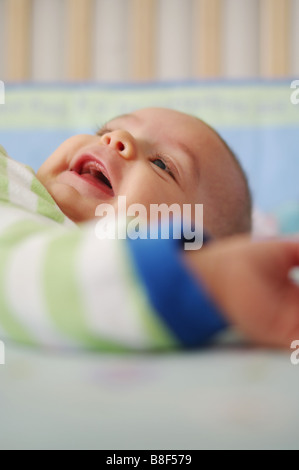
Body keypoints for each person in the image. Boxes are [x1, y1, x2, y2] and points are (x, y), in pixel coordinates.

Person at [0, 107, 297, 351]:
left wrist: (208, 277)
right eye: (104, 131)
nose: (119, 138)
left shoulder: (41, 254)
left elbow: (32, 272)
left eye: (162, 164)